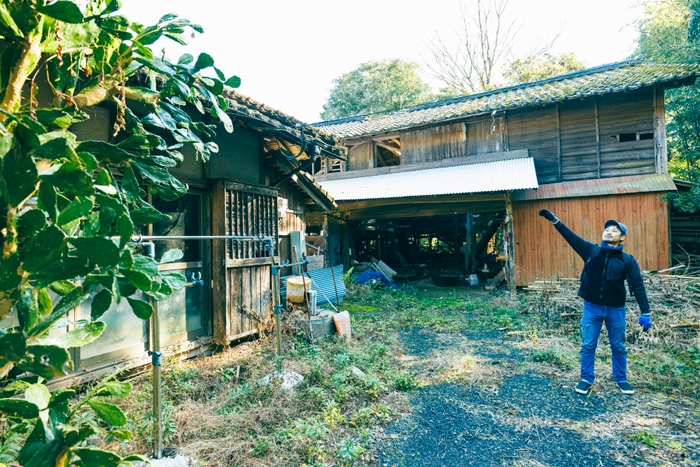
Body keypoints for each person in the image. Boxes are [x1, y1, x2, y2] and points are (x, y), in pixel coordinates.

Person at [538, 209, 651, 395]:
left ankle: (621, 379)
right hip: (592, 307)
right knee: (588, 345)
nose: (609, 231)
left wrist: (645, 312)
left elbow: (638, 287)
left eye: (614, 230)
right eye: (607, 229)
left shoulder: (627, 261)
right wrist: (555, 221)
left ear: (622, 237)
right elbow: (571, 237)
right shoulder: (591, 251)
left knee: (618, 345)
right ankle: (586, 379)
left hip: (616, 310)